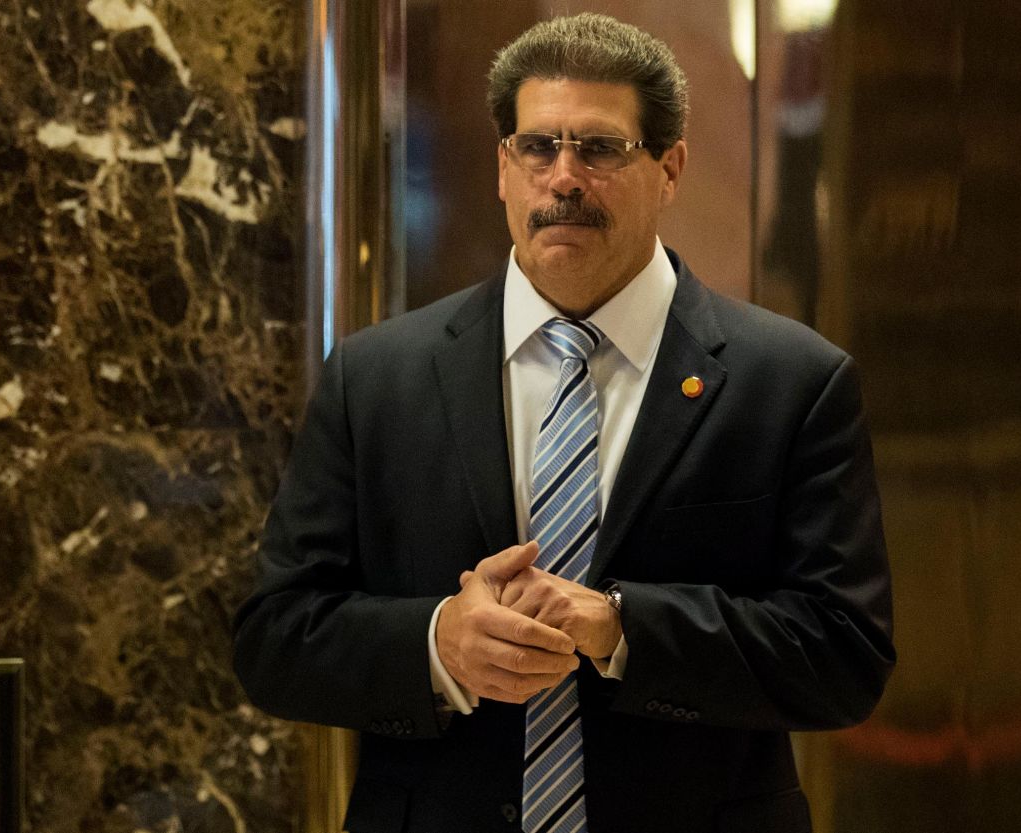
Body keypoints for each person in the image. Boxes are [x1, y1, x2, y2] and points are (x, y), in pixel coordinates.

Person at [233, 13, 894, 833]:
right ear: (502, 169)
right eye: (538, 147)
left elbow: (843, 655)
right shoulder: (376, 379)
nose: (565, 178)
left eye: (602, 148)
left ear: (671, 167)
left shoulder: (792, 383)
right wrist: (439, 645)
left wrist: (622, 626)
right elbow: (274, 638)